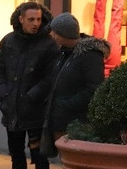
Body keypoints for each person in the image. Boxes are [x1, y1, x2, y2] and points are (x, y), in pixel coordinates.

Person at [0, 1, 59, 169]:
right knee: (16, 154)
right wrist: (3, 94)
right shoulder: (9, 41)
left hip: (35, 111)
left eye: (38, 19)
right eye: (31, 19)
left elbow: (50, 78)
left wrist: (32, 96)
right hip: (12, 108)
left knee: (40, 156)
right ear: (21, 19)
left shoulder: (48, 45)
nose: (35, 23)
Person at [40, 13, 109, 158]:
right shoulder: (64, 53)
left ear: (64, 33)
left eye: (54, 31)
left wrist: (67, 104)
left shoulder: (90, 55)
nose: (51, 34)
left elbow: (94, 88)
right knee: (64, 161)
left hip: (75, 121)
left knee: (73, 162)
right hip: (59, 119)